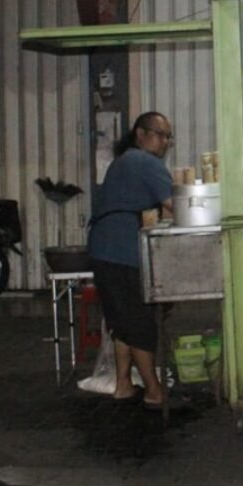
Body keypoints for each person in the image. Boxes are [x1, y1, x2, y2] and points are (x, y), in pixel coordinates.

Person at [87, 112, 174, 408]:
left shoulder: (122, 161)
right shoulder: (145, 162)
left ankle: (124, 384)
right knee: (139, 323)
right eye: (159, 134)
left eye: (167, 137)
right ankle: (153, 390)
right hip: (122, 252)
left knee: (121, 321)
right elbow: (175, 205)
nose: (164, 142)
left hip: (102, 250)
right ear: (140, 133)